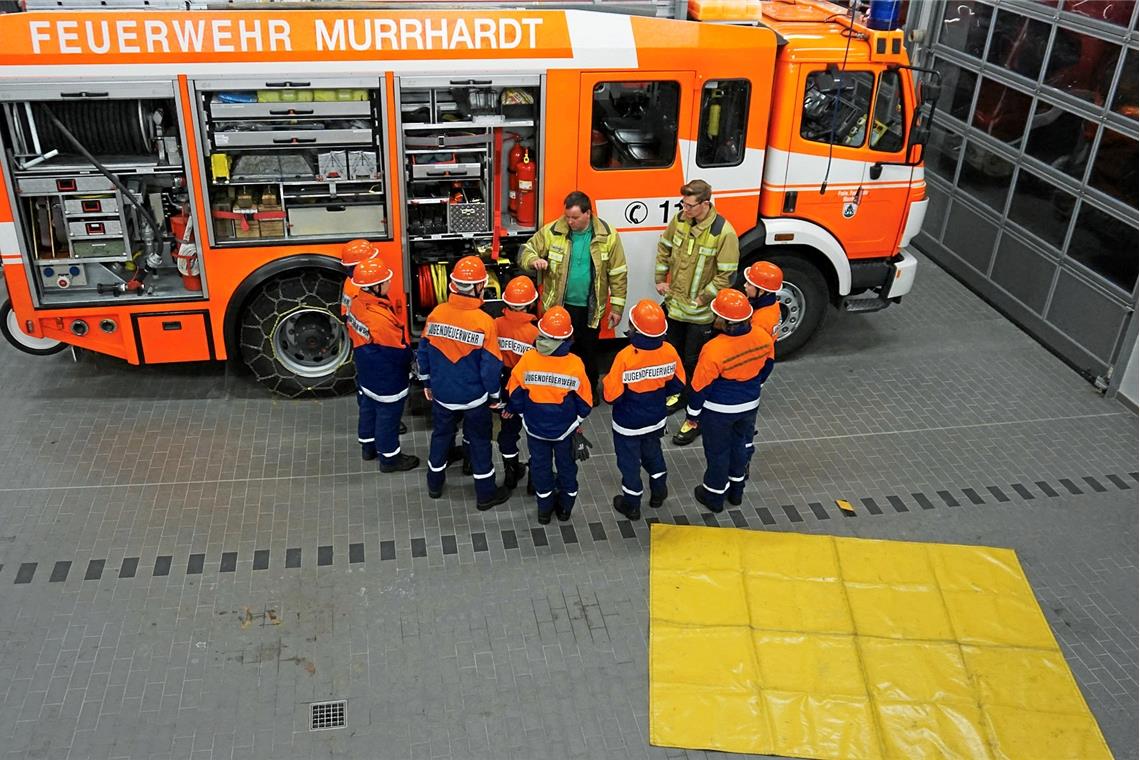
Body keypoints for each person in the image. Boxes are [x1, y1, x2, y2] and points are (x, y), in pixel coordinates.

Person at [417, 256, 511, 510]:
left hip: (442, 395)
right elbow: (490, 367)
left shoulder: (436, 314)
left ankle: (434, 484)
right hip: (474, 399)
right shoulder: (484, 322)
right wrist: (494, 397)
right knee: (480, 443)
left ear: (453, 285)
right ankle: (485, 495)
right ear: (480, 286)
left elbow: (423, 352)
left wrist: (427, 382)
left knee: (441, 437)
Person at [653, 179, 740, 445]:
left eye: (690, 205)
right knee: (675, 355)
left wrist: (704, 297)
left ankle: (692, 401)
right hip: (676, 306)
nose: (684, 209)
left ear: (705, 204)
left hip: (700, 313)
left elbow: (727, 274)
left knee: (694, 359)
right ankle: (679, 395)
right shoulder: (679, 220)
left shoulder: (723, 232)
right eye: (683, 203)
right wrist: (660, 278)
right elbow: (665, 248)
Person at [519, 191, 627, 397]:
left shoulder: (608, 236)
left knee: (588, 353)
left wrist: (618, 308)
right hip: (558, 308)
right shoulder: (553, 231)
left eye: (575, 218)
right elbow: (527, 249)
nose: (570, 222)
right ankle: (561, 391)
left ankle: (589, 391)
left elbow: (618, 273)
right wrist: (533, 261)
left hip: (590, 309)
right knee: (559, 353)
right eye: (567, 216)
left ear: (588, 213)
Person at [687, 289, 774, 513]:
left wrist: (693, 414)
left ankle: (714, 496)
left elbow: (700, 386)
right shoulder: (762, 337)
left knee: (717, 452)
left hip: (719, 411)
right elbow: (767, 367)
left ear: (726, 321)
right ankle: (736, 492)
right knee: (739, 447)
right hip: (749, 404)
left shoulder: (714, 349)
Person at [506, 306, 593, 524]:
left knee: (540, 469)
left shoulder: (528, 360)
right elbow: (585, 402)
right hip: (565, 431)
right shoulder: (574, 364)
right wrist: (578, 421)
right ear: (568, 337)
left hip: (535, 429)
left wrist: (521, 412)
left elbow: (515, 394)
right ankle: (565, 510)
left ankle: (544, 512)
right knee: (567, 469)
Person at [602, 300, 685, 521]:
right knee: (654, 454)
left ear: (634, 328)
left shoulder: (625, 357)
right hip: (656, 419)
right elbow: (678, 384)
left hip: (627, 424)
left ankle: (631, 505)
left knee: (629, 465)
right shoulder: (669, 351)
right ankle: (658, 493)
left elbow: (611, 395)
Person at [346, 258, 418, 472]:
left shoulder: (357, 303)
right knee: (388, 417)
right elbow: (396, 352)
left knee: (368, 410)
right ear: (375, 287)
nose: (389, 284)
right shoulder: (379, 319)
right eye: (385, 281)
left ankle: (368, 447)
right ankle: (390, 459)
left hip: (366, 369)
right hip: (387, 378)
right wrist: (412, 362)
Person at [494, 275, 540, 490]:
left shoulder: (495, 325)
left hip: (504, 385)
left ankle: (511, 473)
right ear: (531, 303)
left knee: (507, 432)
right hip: (529, 388)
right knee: (534, 433)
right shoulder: (536, 333)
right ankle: (534, 478)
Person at [743, 260, 783, 341]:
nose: (744, 285)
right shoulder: (773, 303)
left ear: (761, 291)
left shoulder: (758, 322)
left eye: (749, 284)